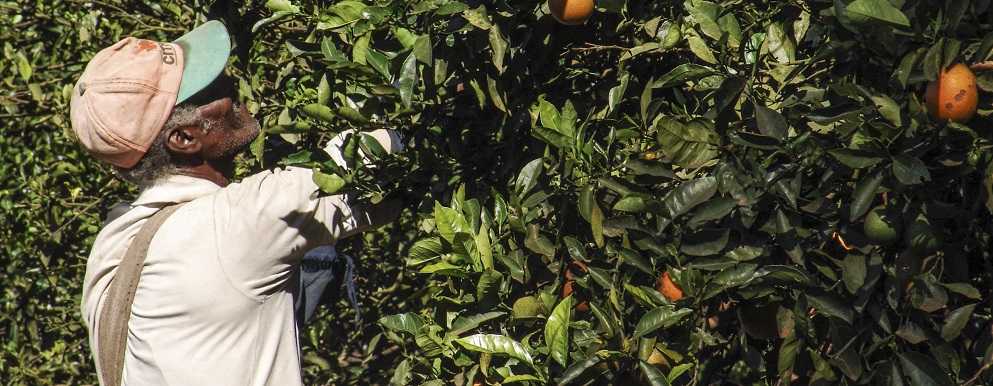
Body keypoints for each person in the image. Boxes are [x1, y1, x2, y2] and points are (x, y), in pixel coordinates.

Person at [70, 21, 401, 385]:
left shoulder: (112, 243)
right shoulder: (236, 222)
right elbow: (393, 151)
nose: (231, 87)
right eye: (212, 87)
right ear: (184, 138)